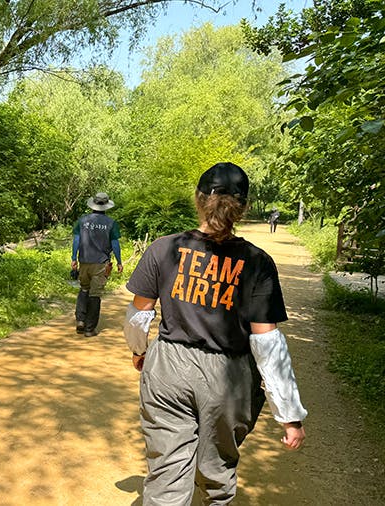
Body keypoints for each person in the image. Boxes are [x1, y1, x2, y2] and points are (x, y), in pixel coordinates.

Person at [122, 162, 307, 505]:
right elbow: (268, 344)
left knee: (166, 473)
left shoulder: (164, 249)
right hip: (229, 377)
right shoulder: (257, 262)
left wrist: (139, 351)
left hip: (168, 370)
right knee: (217, 473)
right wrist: (289, 414)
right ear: (245, 207)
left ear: (198, 198)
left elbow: (138, 315)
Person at [71, 192, 123, 337]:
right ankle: (89, 329)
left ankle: (80, 320)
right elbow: (115, 244)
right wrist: (119, 261)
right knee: (95, 294)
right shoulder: (111, 223)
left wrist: (74, 258)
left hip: (84, 261)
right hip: (100, 263)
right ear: (106, 206)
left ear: (93, 205)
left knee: (84, 289)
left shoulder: (82, 221)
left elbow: (76, 241)